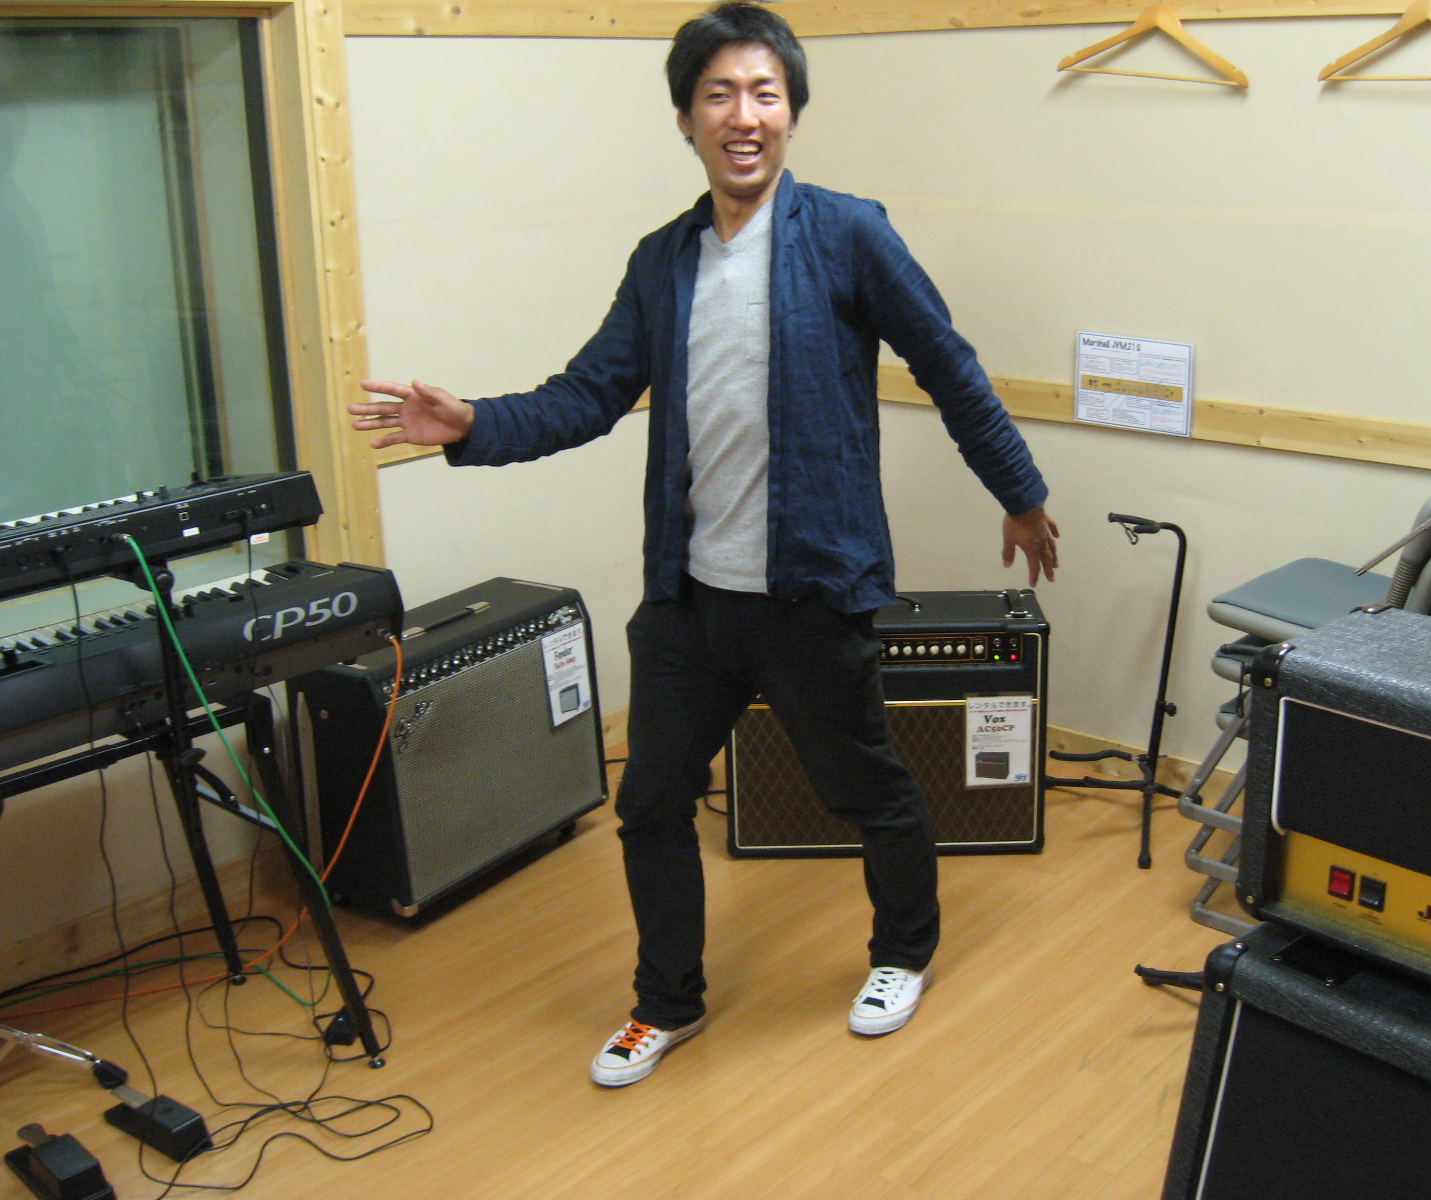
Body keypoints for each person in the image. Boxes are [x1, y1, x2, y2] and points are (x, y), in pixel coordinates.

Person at [350, 0, 1058, 1088]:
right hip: (689, 601)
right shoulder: (663, 262)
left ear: (792, 113)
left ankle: (903, 951)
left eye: (765, 93)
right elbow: (587, 395)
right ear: (685, 119)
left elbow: (948, 366)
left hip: (812, 592)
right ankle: (665, 1003)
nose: (744, 115)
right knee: (649, 803)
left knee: (864, 789)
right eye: (718, 94)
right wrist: (474, 423)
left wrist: (1018, 492)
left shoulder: (849, 234)